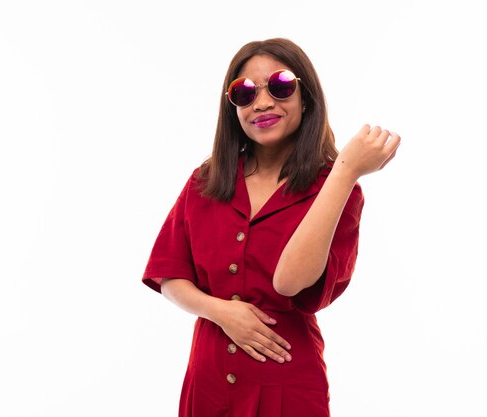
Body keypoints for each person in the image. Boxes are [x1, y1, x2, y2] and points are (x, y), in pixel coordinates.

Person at [141, 37, 401, 417]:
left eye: (280, 86)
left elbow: (289, 282)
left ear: (305, 96)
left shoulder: (337, 188)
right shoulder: (206, 180)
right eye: (244, 93)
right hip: (208, 384)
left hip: (287, 387)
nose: (262, 103)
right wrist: (221, 312)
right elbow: (169, 275)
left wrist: (344, 170)